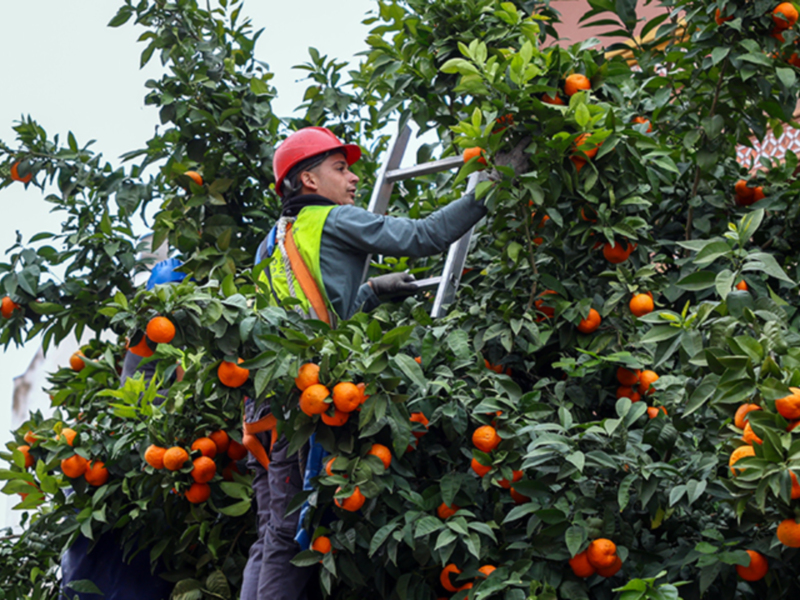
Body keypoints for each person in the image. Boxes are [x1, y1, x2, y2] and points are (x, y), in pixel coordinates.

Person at [240, 126, 488, 600]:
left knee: (270, 531)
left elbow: (310, 314)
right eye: (340, 168)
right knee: (290, 536)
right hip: (305, 404)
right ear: (308, 182)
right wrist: (491, 187)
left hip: (265, 406)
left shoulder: (271, 240)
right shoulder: (332, 220)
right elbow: (425, 236)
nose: (354, 179)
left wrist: (372, 292)